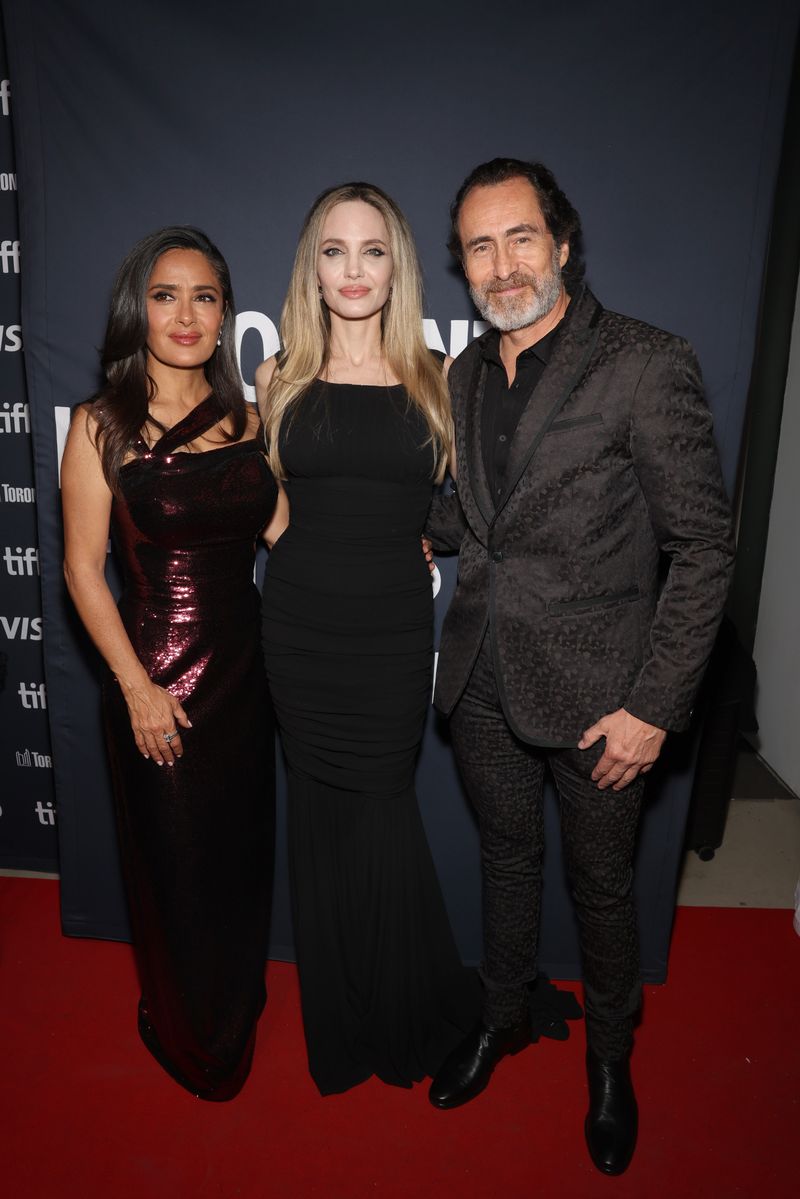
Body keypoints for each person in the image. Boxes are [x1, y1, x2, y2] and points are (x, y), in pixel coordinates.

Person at [424, 159, 734, 1173]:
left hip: (605, 698)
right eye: (479, 245)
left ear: (561, 244)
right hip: (479, 682)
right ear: (460, 264)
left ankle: (608, 1061)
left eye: (520, 238)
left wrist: (652, 705)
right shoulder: (464, 376)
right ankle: (504, 1012)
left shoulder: (644, 363)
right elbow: (478, 517)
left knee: (602, 891)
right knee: (505, 861)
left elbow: (703, 548)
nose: (502, 264)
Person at [257, 182, 479, 1095]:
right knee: (317, 819)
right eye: (336, 250)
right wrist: (298, 547)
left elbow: (470, 505)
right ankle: (341, 1029)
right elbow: (267, 499)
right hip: (300, 629)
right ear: (314, 266)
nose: (355, 270)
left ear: (399, 267)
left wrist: (424, 540)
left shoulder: (436, 375)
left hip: (390, 633)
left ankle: (405, 1009)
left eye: (374, 250)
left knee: (382, 814)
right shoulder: (280, 378)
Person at [62, 226, 286, 1100]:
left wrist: (394, 546)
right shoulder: (102, 423)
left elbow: (287, 537)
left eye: (204, 296)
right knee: (177, 869)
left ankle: (234, 1004)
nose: (185, 314)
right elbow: (82, 568)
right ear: (138, 310)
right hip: (158, 678)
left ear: (226, 313)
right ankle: (190, 1034)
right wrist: (136, 688)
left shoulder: (252, 420)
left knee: (237, 860)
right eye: (166, 295)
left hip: (248, 675)